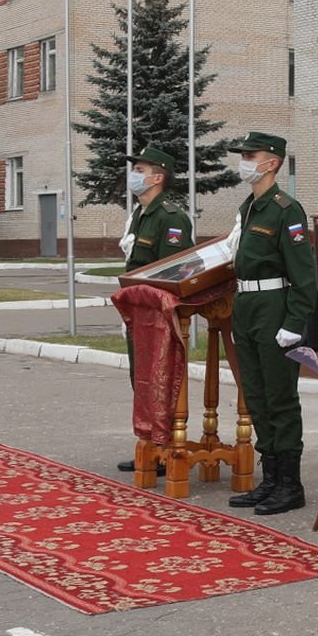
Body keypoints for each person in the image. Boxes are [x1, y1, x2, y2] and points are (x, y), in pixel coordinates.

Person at [224, 132, 318, 516]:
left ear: (272, 162)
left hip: (274, 307)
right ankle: (270, 479)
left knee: (280, 397)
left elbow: (305, 274)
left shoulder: (286, 210)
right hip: (246, 304)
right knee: (257, 397)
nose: (244, 161)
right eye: (243, 155)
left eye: (251, 155)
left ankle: (290, 484)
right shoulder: (250, 207)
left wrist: (295, 321)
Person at [115, 146, 193, 474]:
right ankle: (149, 445)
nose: (134, 175)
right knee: (141, 380)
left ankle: (166, 448)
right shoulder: (140, 214)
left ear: (158, 177)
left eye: (141, 170)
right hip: (138, 314)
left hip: (158, 317)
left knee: (161, 382)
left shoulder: (171, 218)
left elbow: (176, 271)